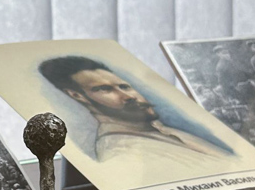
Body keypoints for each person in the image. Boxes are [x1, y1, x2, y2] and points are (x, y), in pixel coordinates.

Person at [38, 56, 233, 169]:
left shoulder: (161, 131)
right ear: (77, 96)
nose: (128, 96)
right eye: (105, 89)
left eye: (125, 86)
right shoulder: (122, 152)